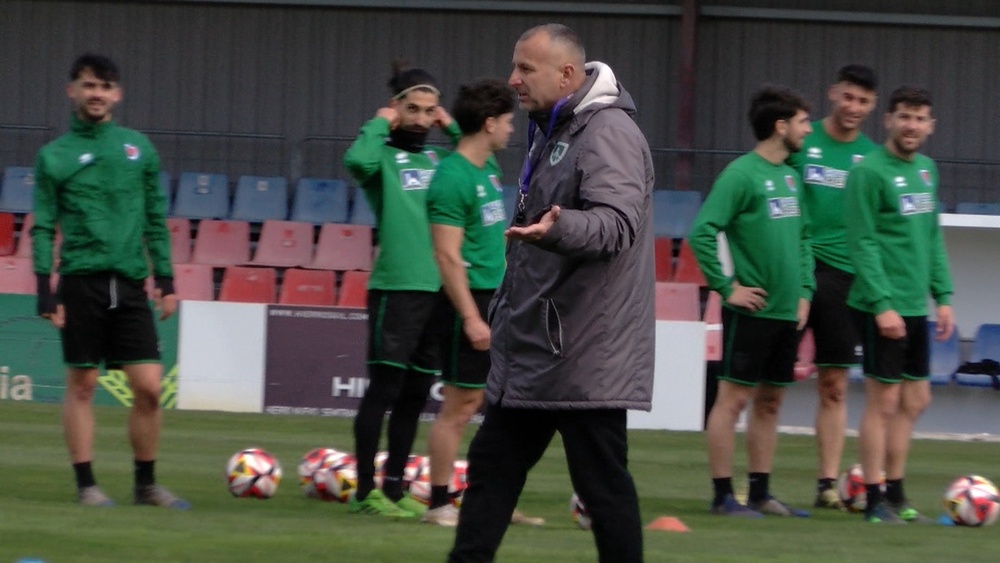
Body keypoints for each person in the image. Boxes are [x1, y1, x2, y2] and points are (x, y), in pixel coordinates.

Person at [449, 24, 653, 562]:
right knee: (493, 469)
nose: (512, 80)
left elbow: (616, 225)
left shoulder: (608, 132)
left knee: (602, 487)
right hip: (541, 346)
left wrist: (557, 228)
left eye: (525, 69)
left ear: (567, 74)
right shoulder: (554, 128)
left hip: (584, 351)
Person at [32, 53, 188, 509]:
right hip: (81, 282)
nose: (96, 93)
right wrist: (45, 287)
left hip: (131, 282)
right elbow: (43, 224)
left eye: (104, 86)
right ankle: (87, 486)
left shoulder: (138, 148)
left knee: (149, 388)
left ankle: (146, 484)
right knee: (82, 386)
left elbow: (156, 218)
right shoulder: (53, 156)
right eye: (88, 85)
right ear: (72, 91)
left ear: (117, 95)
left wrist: (167, 278)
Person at [690, 86, 815, 518]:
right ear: (781, 127)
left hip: (786, 312)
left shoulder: (790, 175)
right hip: (752, 310)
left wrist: (804, 292)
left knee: (771, 402)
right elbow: (702, 231)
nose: (808, 130)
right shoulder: (740, 175)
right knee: (733, 400)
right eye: (803, 122)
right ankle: (723, 495)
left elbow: (802, 239)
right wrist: (728, 289)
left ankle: (761, 492)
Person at [342, 62, 460, 518]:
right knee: (383, 391)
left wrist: (451, 124)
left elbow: (481, 163)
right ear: (396, 109)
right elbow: (357, 161)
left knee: (415, 396)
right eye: (412, 108)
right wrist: (378, 123)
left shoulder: (439, 161)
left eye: (429, 110)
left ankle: (393, 488)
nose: (421, 118)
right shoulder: (382, 161)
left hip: (439, 290)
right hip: (397, 288)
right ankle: (365, 492)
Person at [422, 79, 531, 527]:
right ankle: (439, 504)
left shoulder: (483, 169)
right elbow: (447, 255)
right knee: (460, 407)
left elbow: (461, 141)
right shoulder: (451, 178)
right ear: (489, 124)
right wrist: (471, 317)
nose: (511, 130)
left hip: (499, 298)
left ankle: (494, 499)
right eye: (507, 121)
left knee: (502, 408)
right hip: (470, 302)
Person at [845, 85, 954, 524]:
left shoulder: (927, 170)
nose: (912, 125)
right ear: (888, 120)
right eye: (904, 116)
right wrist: (882, 303)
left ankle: (896, 494)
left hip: (915, 305)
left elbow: (931, 237)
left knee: (916, 400)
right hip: (880, 304)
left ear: (930, 126)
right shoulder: (868, 172)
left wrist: (943, 297)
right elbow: (862, 242)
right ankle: (873, 499)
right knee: (883, 402)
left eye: (920, 118)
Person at [786, 64, 878, 509]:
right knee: (764, 386)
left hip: (844, 278)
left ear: (872, 106)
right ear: (833, 94)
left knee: (834, 385)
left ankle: (826, 486)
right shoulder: (803, 142)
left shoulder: (873, 158)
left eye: (863, 101)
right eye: (848, 97)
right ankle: (755, 484)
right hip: (795, 272)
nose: (854, 108)